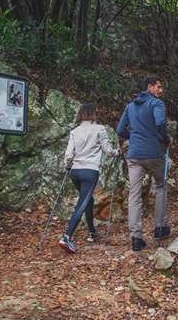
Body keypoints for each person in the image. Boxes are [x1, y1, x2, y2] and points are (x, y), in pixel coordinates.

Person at [116, 76, 172, 251]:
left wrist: (133, 137)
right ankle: (160, 227)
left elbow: (119, 130)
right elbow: (160, 123)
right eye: (159, 86)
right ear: (150, 87)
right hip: (154, 153)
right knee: (161, 186)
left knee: (134, 194)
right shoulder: (157, 104)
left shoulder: (130, 106)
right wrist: (165, 139)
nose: (160, 90)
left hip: (134, 155)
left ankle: (136, 237)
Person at [59, 102, 120, 254]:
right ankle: (67, 236)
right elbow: (107, 150)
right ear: (93, 114)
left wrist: (67, 166)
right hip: (90, 171)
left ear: (80, 114)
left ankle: (92, 233)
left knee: (88, 200)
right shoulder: (100, 129)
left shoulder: (75, 131)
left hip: (75, 172)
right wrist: (116, 152)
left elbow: (68, 155)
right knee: (82, 202)